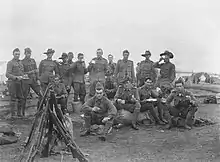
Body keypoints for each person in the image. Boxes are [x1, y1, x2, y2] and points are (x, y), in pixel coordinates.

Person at [21, 48, 42, 115]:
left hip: (34, 80)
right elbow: (22, 73)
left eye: (29, 53)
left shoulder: (33, 61)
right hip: (26, 81)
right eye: (27, 53)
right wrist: (30, 72)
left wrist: (38, 79)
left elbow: (36, 70)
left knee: (41, 94)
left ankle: (39, 111)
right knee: (24, 97)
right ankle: (22, 113)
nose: (28, 54)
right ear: (25, 53)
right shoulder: (22, 62)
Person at [6, 48, 25, 118]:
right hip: (12, 82)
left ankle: (19, 114)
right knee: (13, 98)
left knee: (21, 98)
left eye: (18, 54)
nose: (17, 55)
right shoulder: (10, 63)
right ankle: (13, 115)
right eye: (16, 54)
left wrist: (23, 76)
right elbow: (7, 74)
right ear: (13, 54)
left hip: (19, 83)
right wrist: (16, 77)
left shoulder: (20, 63)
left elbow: (22, 72)